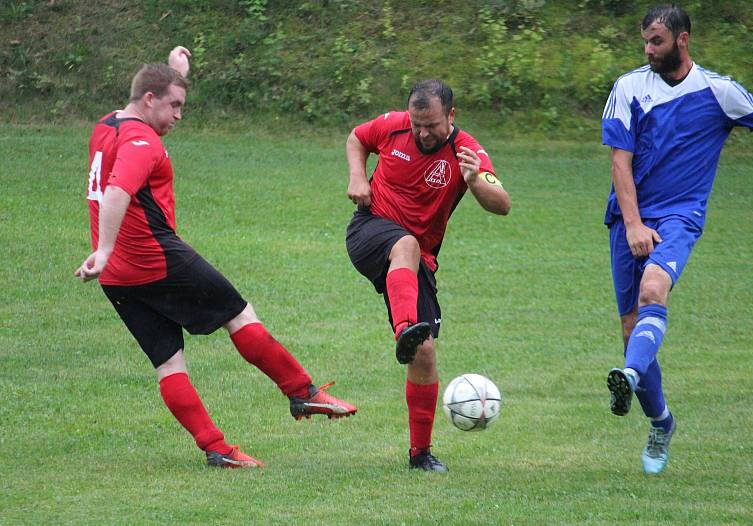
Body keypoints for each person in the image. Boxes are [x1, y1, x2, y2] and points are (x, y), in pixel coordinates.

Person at [75, 46, 356, 469]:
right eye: (175, 105)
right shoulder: (141, 140)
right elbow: (117, 191)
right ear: (150, 100)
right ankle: (302, 392)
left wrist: (174, 74)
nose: (179, 115)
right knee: (240, 315)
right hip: (155, 258)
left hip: (117, 277)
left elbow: (139, 108)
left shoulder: (108, 125)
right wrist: (106, 248)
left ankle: (217, 448)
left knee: (169, 362)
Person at [601, 4, 753, 475]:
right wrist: (632, 225)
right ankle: (661, 421)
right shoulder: (629, 87)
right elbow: (619, 162)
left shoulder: (720, 91)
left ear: (682, 39)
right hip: (627, 219)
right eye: (645, 42)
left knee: (654, 290)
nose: (648, 50)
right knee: (632, 331)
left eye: (657, 41)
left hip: (680, 217)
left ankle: (628, 374)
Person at [345, 79, 511, 472]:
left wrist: (473, 181)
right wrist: (357, 177)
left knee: (425, 352)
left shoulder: (467, 152)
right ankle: (406, 328)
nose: (422, 132)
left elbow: (502, 204)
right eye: (417, 123)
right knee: (405, 245)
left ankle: (419, 454)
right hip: (370, 229)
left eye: (431, 124)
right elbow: (357, 137)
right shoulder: (393, 126)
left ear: (451, 116)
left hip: (419, 260)